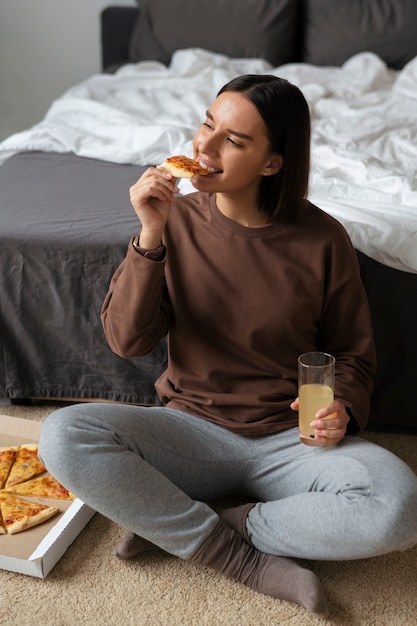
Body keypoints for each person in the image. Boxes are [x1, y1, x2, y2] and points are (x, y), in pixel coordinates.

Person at [39, 75, 417, 618]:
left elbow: (352, 353)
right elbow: (127, 340)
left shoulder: (324, 239)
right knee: (64, 435)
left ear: (272, 163)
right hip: (189, 430)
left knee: (399, 507)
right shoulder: (173, 221)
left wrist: (342, 408)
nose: (204, 148)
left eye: (234, 141)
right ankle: (236, 559)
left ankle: (210, 525)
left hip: (292, 440)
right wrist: (149, 236)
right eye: (207, 125)